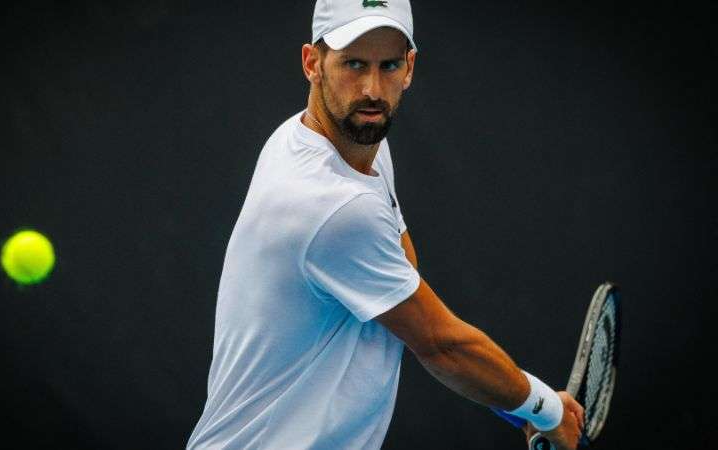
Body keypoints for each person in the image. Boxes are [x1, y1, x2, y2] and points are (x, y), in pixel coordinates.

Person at [187, 1, 584, 448]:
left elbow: (407, 289)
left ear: (409, 67)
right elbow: (439, 345)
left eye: (389, 65)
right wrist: (545, 409)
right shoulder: (331, 205)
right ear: (311, 63)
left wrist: (510, 399)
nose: (372, 89)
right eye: (353, 64)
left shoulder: (346, 140)